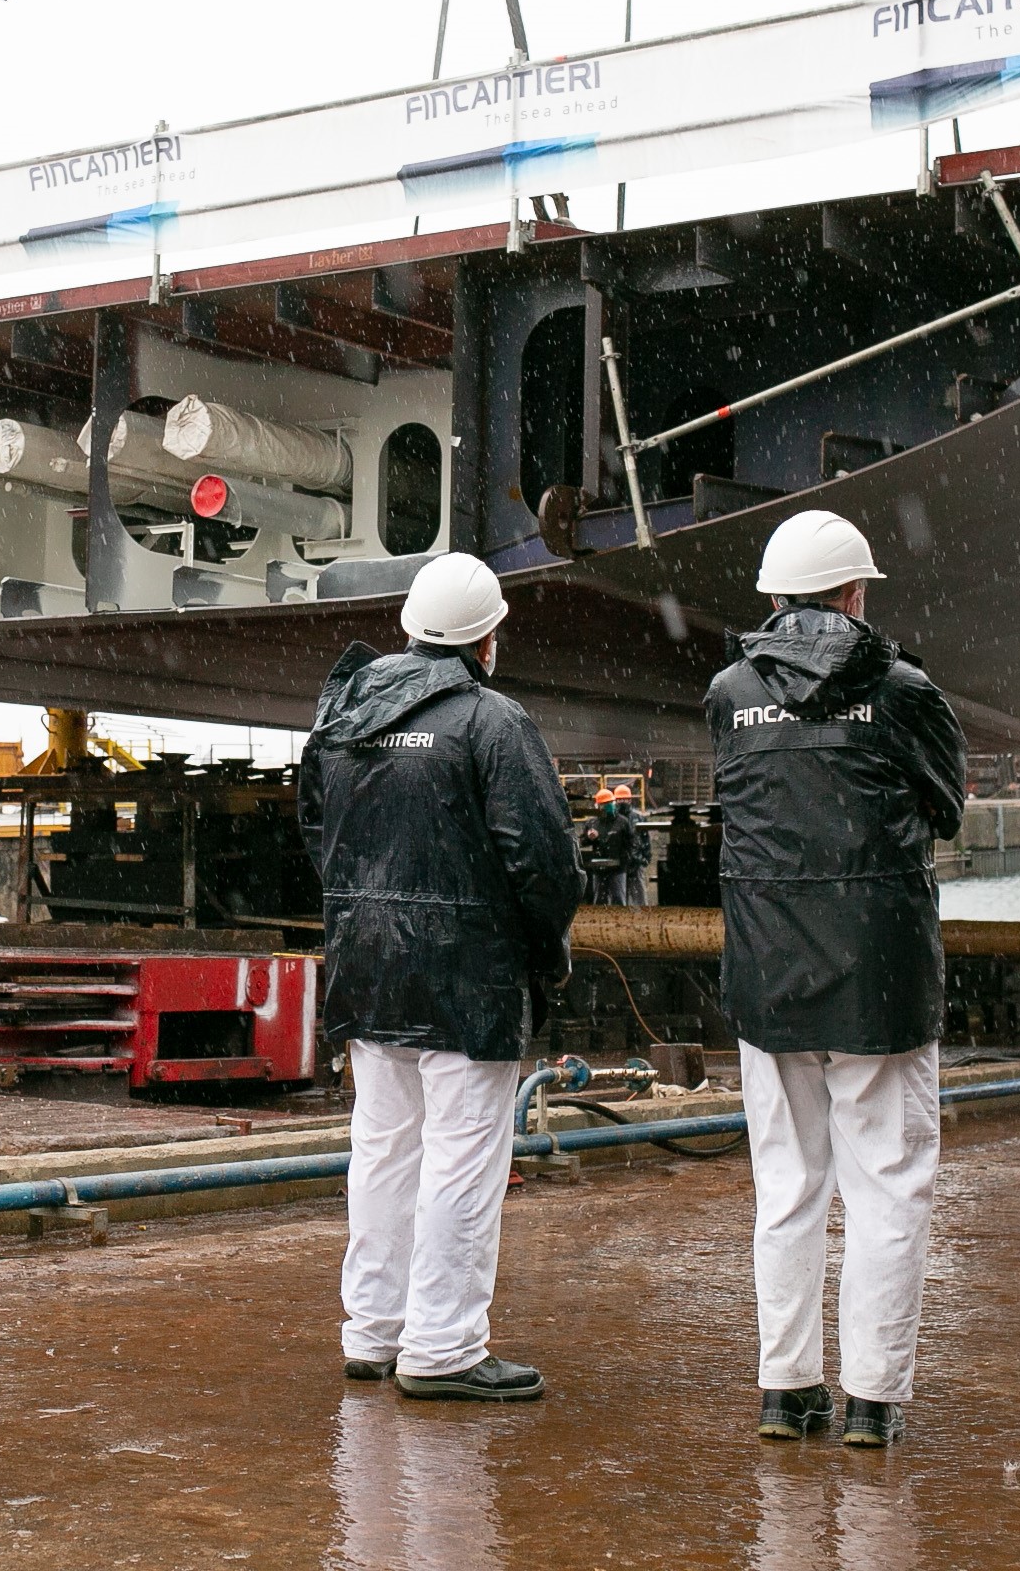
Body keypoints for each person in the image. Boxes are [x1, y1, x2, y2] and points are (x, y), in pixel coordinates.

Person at [708, 508, 966, 1450]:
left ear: (774, 600)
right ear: (855, 596)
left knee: (787, 1187)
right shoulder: (903, 690)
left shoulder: (730, 693)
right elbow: (945, 806)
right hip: (881, 977)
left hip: (769, 973)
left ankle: (786, 1390)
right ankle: (872, 1401)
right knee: (889, 1186)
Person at [301, 551, 581, 1403]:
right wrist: (545, 951)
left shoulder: (345, 712)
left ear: (413, 628)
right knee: (463, 1157)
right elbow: (544, 861)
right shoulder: (492, 723)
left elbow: (320, 834)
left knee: (383, 1151)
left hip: (368, 963)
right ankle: (445, 1346)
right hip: (467, 976)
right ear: (486, 639)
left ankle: (375, 1332)